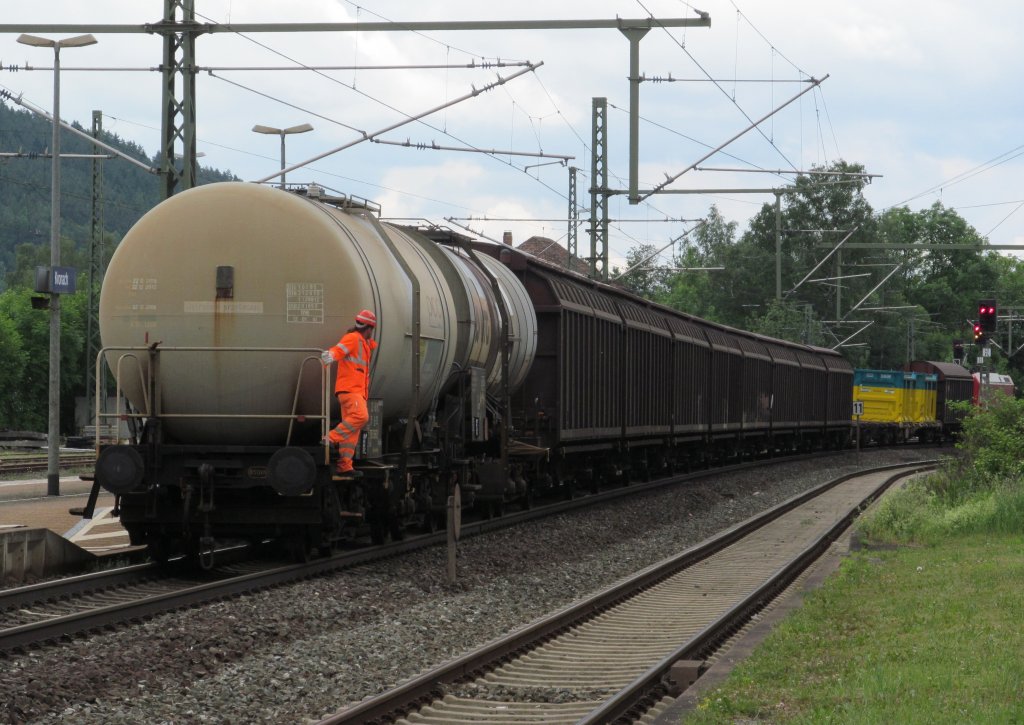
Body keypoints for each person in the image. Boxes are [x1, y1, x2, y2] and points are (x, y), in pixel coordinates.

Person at [321, 309, 378, 478]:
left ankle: (345, 466)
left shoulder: (363, 342)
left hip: (355, 392)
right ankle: (329, 438)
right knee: (362, 417)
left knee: (352, 430)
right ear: (368, 328)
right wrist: (330, 355)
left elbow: (367, 346)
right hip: (350, 391)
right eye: (371, 330)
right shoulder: (353, 338)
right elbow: (339, 349)